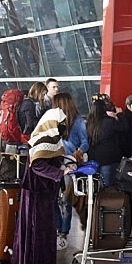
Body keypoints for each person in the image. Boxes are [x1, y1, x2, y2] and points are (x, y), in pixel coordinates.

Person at [8, 108, 71, 264]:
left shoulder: (42, 138)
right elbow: (38, 166)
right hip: (39, 193)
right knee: (39, 232)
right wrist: (61, 172)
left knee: (26, 231)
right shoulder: (46, 140)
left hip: (33, 192)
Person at [52, 92, 88, 250]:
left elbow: (85, 142)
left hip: (69, 164)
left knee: (66, 199)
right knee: (53, 198)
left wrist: (78, 152)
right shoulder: (53, 120)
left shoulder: (78, 121)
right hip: (54, 162)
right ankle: (59, 228)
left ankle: (63, 232)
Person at [86, 93, 129, 187]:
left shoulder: (89, 122)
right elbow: (125, 127)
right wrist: (120, 114)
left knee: (95, 186)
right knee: (107, 187)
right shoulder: (109, 121)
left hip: (93, 158)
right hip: (109, 159)